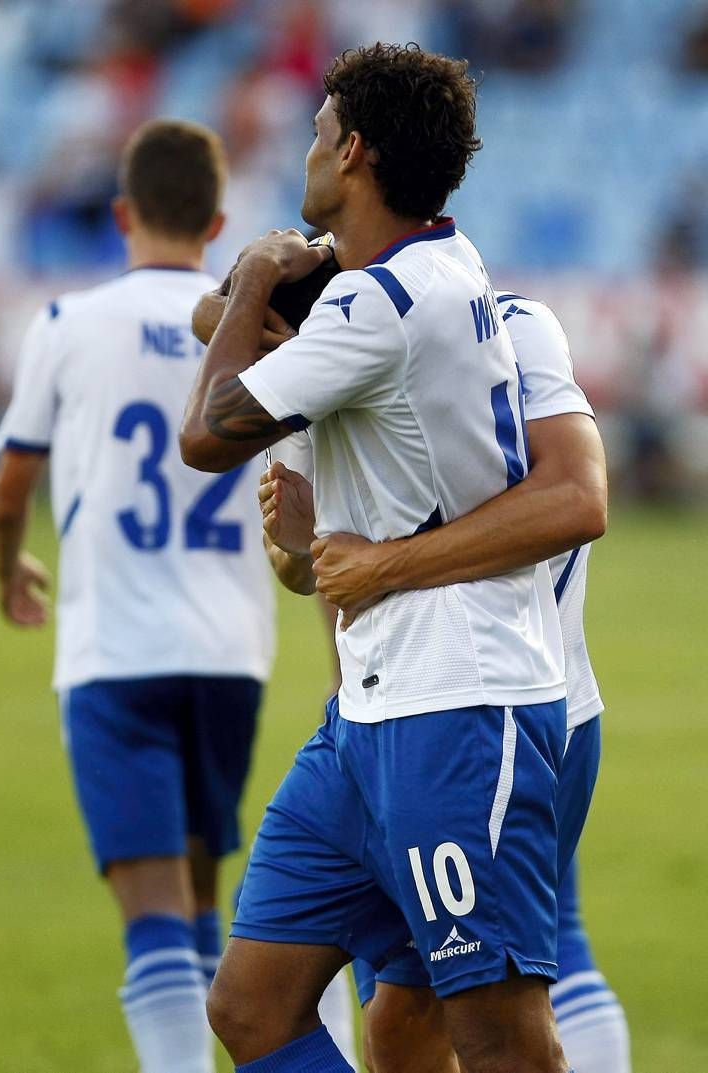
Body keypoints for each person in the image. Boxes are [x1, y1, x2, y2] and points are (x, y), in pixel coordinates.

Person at [180, 43, 604, 1073]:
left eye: (319, 133)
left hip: (455, 708)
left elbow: (203, 433)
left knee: (497, 1035)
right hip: (365, 717)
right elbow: (253, 328)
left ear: (356, 151)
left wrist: (256, 280)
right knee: (251, 1002)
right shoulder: (436, 270)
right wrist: (265, 292)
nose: (308, 150)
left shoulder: (378, 306)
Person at [260, 288, 627, 1073]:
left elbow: (575, 498)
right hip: (382, 716)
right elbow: (313, 566)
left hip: (504, 708)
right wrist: (296, 543)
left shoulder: (516, 328)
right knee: (385, 1021)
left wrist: (380, 563)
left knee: (488, 1018)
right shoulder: (342, 349)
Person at [0, 119, 275, 1073]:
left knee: (151, 908)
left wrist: (6, 562)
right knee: (199, 898)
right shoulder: (255, 330)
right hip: (232, 651)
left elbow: (10, 485)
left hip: (117, 651)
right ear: (219, 219)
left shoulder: (70, 323)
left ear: (121, 213)